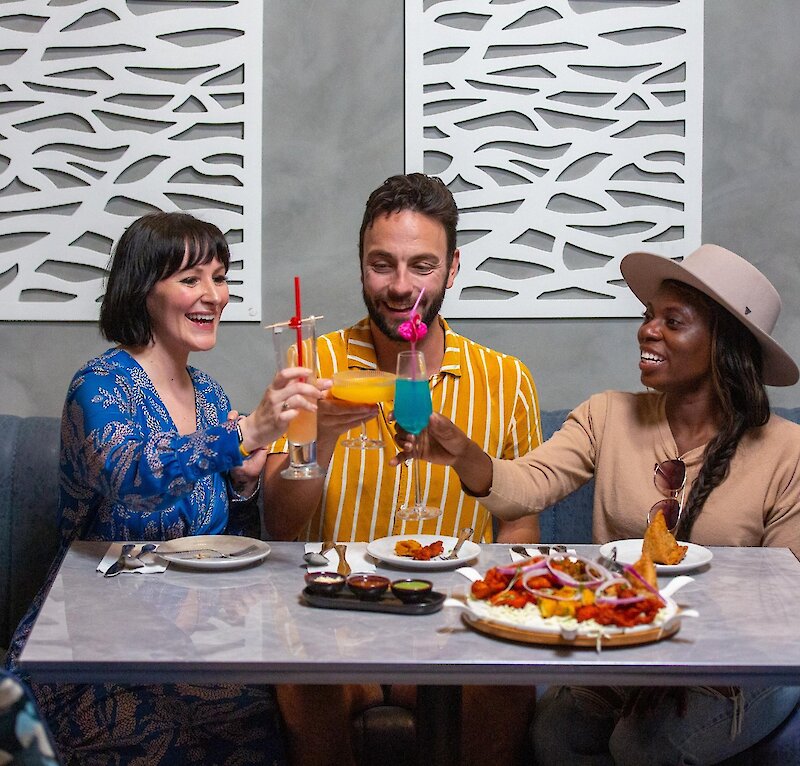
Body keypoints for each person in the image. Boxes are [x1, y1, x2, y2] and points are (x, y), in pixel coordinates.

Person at [394, 243, 800, 765]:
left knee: (643, 745)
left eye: (672, 322)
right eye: (649, 316)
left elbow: (786, 602)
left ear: (725, 343)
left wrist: (691, 665)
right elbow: (528, 483)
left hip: (749, 662)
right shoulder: (607, 415)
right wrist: (464, 455)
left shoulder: (786, 451)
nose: (647, 331)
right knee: (557, 734)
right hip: (637, 646)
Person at [7, 211, 324, 765]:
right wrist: (245, 433)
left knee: (260, 739)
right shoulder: (99, 386)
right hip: (92, 640)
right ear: (142, 292)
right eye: (190, 278)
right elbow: (131, 477)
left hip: (190, 640)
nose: (214, 295)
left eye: (220, 277)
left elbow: (226, 537)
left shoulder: (211, 394)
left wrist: (246, 484)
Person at [264, 173, 541, 765]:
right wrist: (321, 444)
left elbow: (518, 527)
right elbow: (279, 524)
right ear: (361, 264)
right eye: (381, 264)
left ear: (452, 267)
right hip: (335, 615)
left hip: (452, 623)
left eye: (421, 266)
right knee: (305, 681)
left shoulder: (506, 381)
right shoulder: (315, 364)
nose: (399, 286)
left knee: (506, 684)